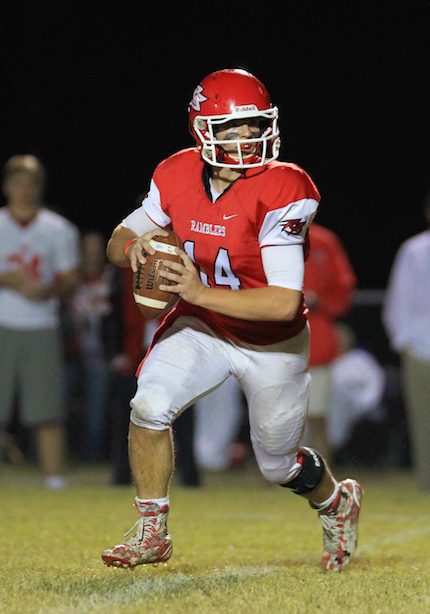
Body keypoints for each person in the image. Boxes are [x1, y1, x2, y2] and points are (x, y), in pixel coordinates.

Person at [101, 68, 363, 572]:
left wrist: (197, 289)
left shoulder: (286, 186)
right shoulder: (175, 173)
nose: (247, 138)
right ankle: (152, 528)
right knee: (149, 404)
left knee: (277, 465)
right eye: (232, 128)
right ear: (203, 127)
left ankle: (335, 500)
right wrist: (136, 250)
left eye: (254, 125)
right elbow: (118, 240)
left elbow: (284, 303)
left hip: (271, 341)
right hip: (203, 325)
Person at [0, 154, 79, 489]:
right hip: (3, 323)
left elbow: (70, 279)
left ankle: (54, 479)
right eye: (18, 182)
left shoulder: (58, 229)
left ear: (40, 187)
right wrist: (10, 280)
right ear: (7, 186)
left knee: (47, 408)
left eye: (31, 183)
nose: (25, 190)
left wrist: (48, 288)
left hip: (42, 325)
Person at [382, 192, 430, 490]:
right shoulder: (414, 250)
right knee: (423, 422)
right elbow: (398, 299)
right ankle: (427, 481)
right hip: (420, 349)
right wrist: (404, 343)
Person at [303, 223, 357, 462]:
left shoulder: (324, 240)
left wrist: (318, 300)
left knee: (317, 417)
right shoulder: (263, 235)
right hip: (273, 344)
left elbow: (343, 290)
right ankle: (271, 485)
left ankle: (321, 481)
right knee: (272, 421)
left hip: (316, 343)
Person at [64, 231, 114, 462]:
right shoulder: (70, 280)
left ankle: (91, 458)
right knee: (58, 407)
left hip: (99, 355)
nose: (92, 255)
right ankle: (54, 456)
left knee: (96, 411)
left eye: (96, 250)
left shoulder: (110, 279)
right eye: (87, 250)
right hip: (70, 355)